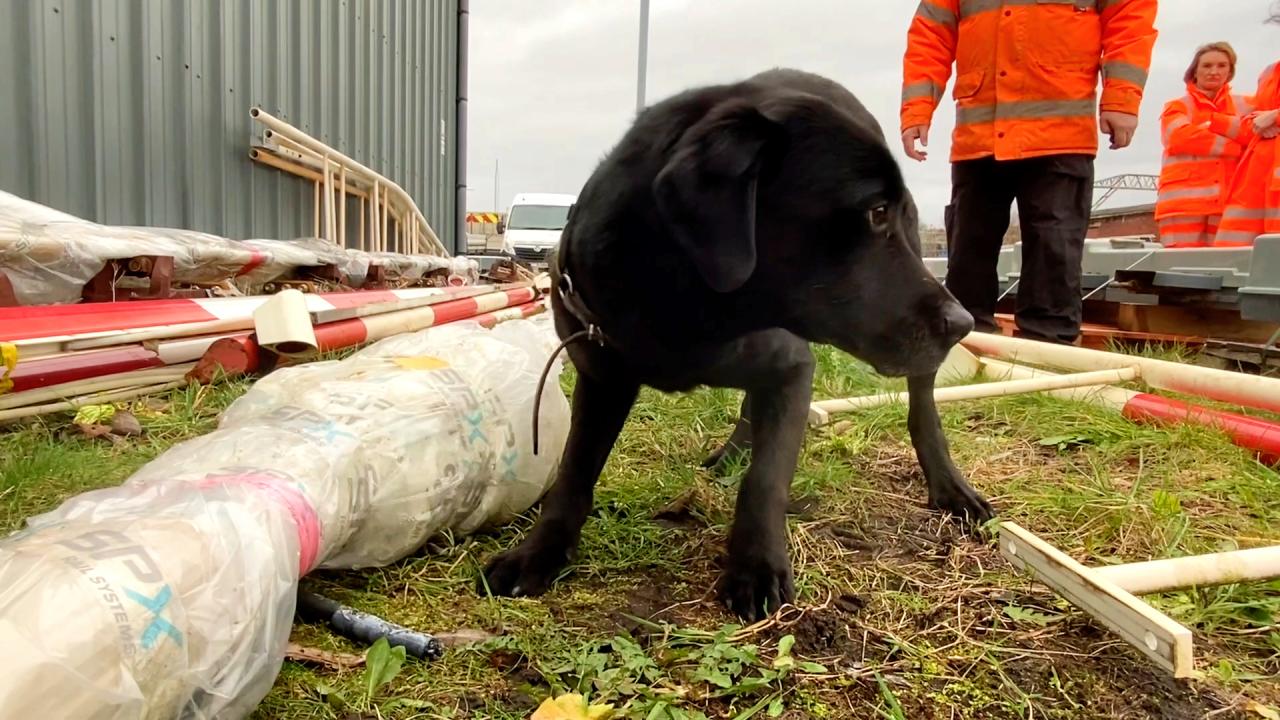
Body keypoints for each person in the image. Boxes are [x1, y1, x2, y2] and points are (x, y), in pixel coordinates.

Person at [900, 0, 1158, 345]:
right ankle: (965, 345)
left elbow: (1129, 22)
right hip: (981, 135)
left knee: (1055, 248)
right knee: (969, 249)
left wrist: (1122, 100)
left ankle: (1048, 350)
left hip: (1061, 132)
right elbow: (930, 36)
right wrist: (917, 109)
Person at [1155, 43, 1250, 248]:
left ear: (1230, 71)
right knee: (1181, 272)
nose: (1214, 71)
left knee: (1224, 269)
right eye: (1207, 66)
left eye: (1221, 65)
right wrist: (1240, 145)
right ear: (1194, 71)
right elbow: (1179, 137)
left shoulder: (1248, 105)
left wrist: (1208, 130)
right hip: (1182, 209)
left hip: (1229, 206)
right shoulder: (1177, 106)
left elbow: (1264, 128)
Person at [1214, 9, 1280, 246]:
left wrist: (1274, 116)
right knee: (1231, 254)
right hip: (1256, 176)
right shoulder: (1270, 72)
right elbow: (1255, 114)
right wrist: (1258, 121)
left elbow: (1267, 115)